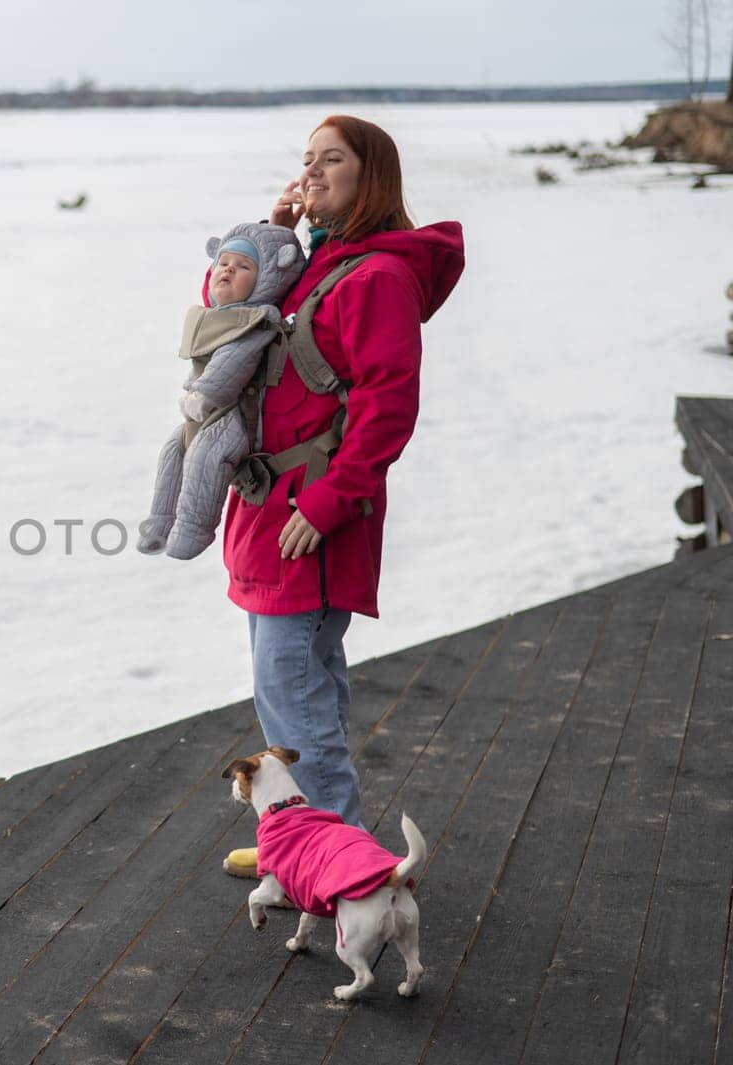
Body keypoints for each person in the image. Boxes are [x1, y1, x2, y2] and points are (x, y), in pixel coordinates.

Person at [222, 115, 465, 878]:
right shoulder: (318, 262)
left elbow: (388, 407)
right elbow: (223, 319)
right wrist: (272, 230)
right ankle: (306, 850)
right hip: (274, 515)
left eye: (332, 160)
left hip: (309, 521)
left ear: (373, 179)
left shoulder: (378, 277)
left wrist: (328, 504)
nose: (314, 171)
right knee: (300, 692)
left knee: (294, 705)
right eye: (308, 160)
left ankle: (341, 869)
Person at [138, 222, 306, 560]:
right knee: (174, 451)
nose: (228, 269)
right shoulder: (219, 316)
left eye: (244, 266)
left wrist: (204, 394)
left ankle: (192, 531)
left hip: (234, 414)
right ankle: (160, 522)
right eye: (223, 262)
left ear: (268, 279)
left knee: (207, 456)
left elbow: (234, 361)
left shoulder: (257, 319)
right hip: (200, 411)